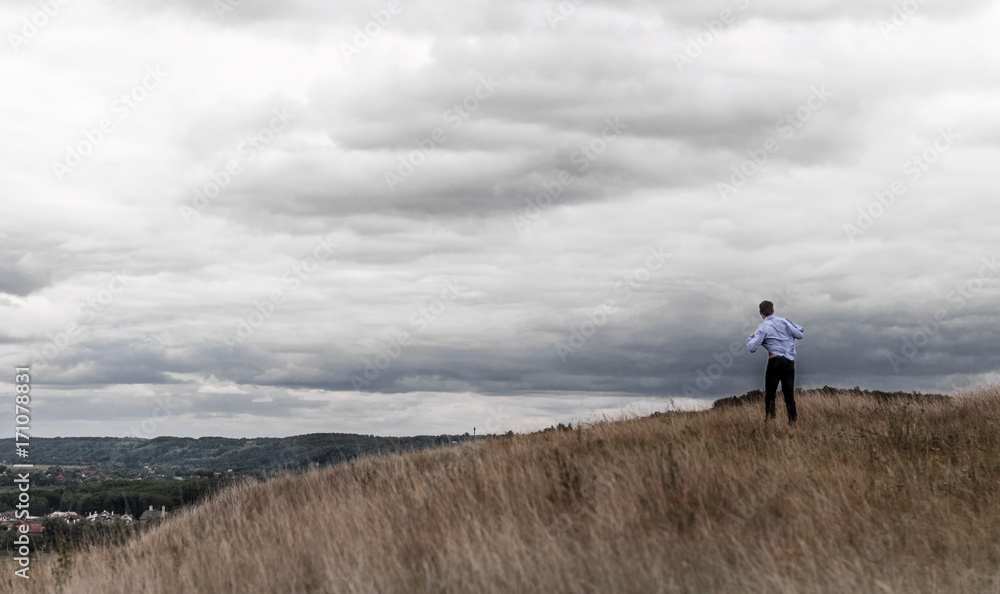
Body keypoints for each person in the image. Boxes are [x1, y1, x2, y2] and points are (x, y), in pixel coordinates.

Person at [746, 300, 804, 423]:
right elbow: (799, 334)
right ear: (773, 311)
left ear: (760, 312)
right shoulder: (784, 321)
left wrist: (752, 336)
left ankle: (770, 422)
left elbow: (752, 348)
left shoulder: (763, 327)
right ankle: (793, 423)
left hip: (775, 361)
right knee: (789, 396)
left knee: (770, 395)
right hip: (789, 361)